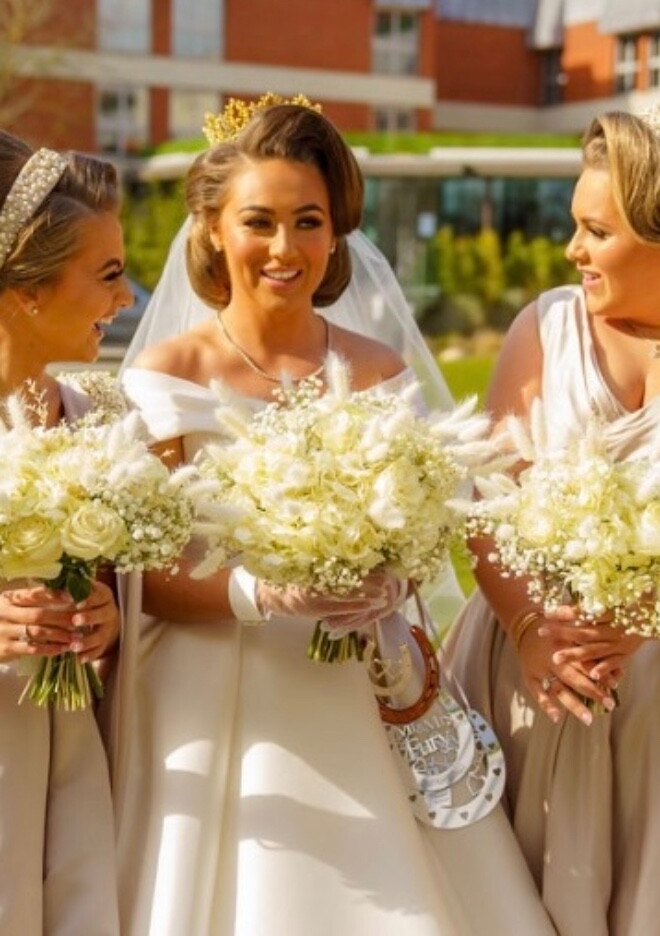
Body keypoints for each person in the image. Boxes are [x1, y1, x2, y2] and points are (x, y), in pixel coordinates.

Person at [115, 99, 556, 936]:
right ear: (211, 229)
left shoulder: (378, 369)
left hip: (363, 685)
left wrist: (391, 574)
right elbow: (145, 574)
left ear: (335, 233)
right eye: (259, 221)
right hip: (209, 705)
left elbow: (431, 527)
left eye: (308, 221)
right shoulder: (167, 376)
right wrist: (264, 595)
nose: (286, 249)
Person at [445, 108, 660, 936]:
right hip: (528, 668)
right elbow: (488, 509)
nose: (573, 250)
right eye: (576, 226)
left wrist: (643, 623)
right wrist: (534, 630)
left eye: (595, 231)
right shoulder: (546, 326)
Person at [0, 129, 132, 934]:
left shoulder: (99, 418)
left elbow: (125, 588)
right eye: (109, 275)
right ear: (29, 291)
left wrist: (113, 620)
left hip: (71, 747)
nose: (125, 301)